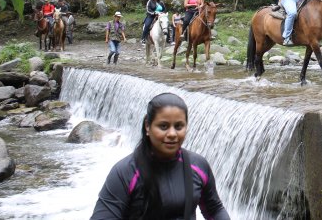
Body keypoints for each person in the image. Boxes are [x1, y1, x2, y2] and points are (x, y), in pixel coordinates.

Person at [91, 93, 230, 220]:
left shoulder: (198, 166)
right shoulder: (125, 172)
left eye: (179, 126)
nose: (172, 134)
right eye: (163, 126)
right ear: (147, 126)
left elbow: (215, 210)